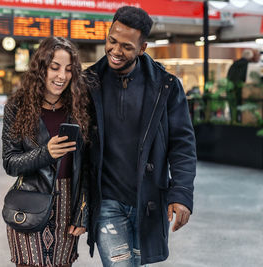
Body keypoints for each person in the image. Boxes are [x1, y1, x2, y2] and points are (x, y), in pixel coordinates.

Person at [85, 6, 197, 266]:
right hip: (107, 203)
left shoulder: (165, 86)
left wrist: (181, 193)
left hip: (148, 200)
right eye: (112, 41)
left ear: (142, 48)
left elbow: (182, 144)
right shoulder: (88, 83)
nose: (115, 50)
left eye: (126, 46)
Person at [2, 37, 90, 267]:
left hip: (66, 208)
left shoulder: (79, 109)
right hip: (30, 202)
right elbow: (10, 163)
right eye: (55, 68)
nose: (62, 76)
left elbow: (88, 167)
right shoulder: (17, 106)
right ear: (41, 68)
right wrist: (46, 153)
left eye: (69, 70)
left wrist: (82, 213)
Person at [226, 49, 255, 123]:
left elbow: (228, 76)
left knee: (233, 109)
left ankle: (233, 121)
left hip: (231, 90)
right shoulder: (248, 65)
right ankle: (240, 122)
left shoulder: (234, 64)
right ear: (250, 57)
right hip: (242, 90)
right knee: (242, 109)